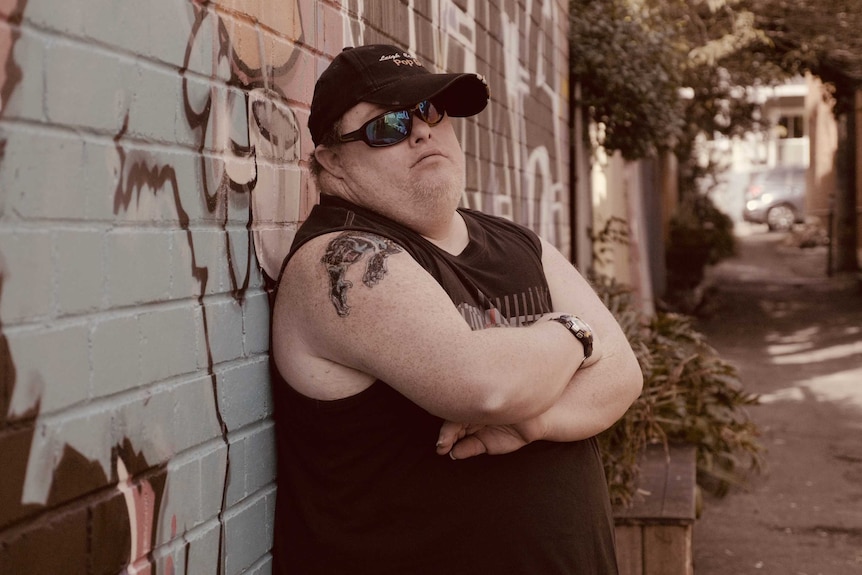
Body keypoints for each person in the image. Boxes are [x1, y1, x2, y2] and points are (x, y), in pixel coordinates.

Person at [269, 44, 643, 575]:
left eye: (430, 110)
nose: (420, 131)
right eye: (388, 124)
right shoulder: (342, 260)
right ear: (332, 162)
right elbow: (485, 387)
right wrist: (573, 333)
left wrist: (534, 421)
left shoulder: (517, 243)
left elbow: (623, 376)